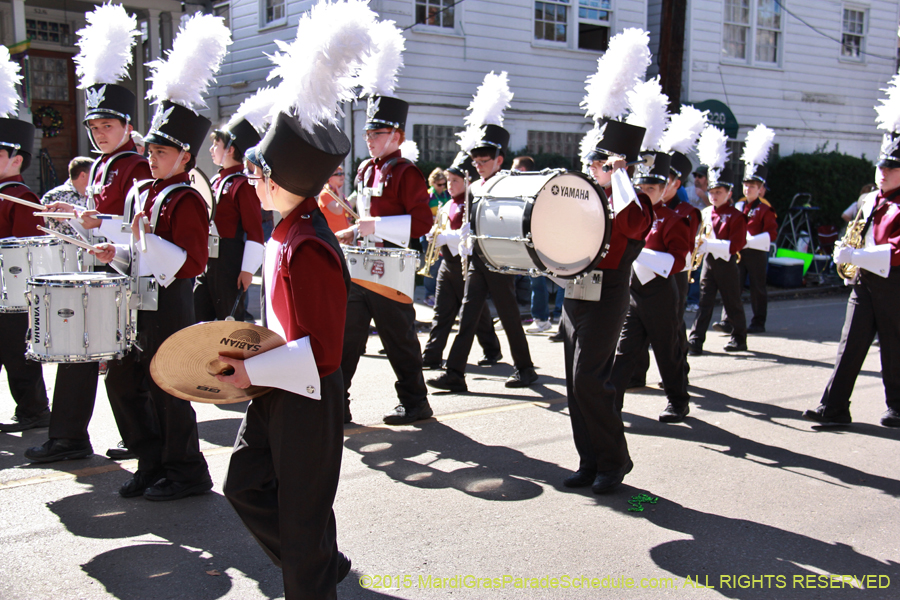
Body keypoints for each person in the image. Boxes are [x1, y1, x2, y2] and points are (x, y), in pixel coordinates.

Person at [89, 13, 229, 499]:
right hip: (138, 297)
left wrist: (141, 244)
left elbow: (191, 262)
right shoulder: (144, 191)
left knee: (170, 388)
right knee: (124, 384)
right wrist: (117, 251)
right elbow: (137, 250)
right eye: (151, 150)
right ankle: (150, 460)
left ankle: (187, 471)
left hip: (171, 302)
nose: (152, 158)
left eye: (163, 153)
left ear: (186, 157)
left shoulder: (186, 197)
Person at [219, 113, 353, 599]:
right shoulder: (285, 231)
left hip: (308, 394)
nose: (251, 182)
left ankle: (312, 565)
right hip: (279, 382)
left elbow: (323, 352)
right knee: (244, 485)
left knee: (301, 522)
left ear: (277, 182)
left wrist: (252, 369)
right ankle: (319, 559)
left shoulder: (309, 244)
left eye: (257, 175)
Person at [26, 6, 150, 462]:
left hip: (126, 271)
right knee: (88, 355)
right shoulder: (102, 165)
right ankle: (81, 436)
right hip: (101, 267)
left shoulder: (137, 165)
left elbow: (140, 226)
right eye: (94, 127)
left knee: (119, 364)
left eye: (108, 127)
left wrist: (95, 224)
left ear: (127, 127)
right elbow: (100, 215)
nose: (99, 134)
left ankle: (142, 441)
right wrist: (72, 215)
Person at [562, 120, 653, 493]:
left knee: (589, 379)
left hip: (609, 292)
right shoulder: (586, 198)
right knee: (574, 384)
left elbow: (631, 226)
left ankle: (615, 460)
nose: (591, 169)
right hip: (575, 290)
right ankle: (590, 461)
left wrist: (619, 177)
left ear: (620, 165)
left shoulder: (637, 202)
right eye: (593, 163)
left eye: (600, 164)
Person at [803, 83, 900, 429]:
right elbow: (856, 231)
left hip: (894, 282)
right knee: (850, 344)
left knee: (894, 347)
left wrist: (856, 255)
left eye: (891, 168)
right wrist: (848, 258)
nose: (883, 172)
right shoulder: (870, 199)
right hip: (865, 280)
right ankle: (833, 408)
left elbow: (896, 250)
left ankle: (898, 408)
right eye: (881, 166)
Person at [336, 93, 434, 424]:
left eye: (376, 134)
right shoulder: (365, 168)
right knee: (347, 337)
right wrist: (354, 230)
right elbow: (366, 215)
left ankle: (415, 401)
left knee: (398, 338)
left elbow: (422, 223)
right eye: (367, 134)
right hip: (361, 262)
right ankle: (338, 403)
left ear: (397, 136)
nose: (369, 140)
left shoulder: (406, 172)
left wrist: (375, 225)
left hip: (391, 267)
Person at [426, 123, 538, 392]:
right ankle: (454, 372)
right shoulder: (474, 186)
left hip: (498, 257)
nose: (478, 165)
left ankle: (525, 368)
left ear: (499, 160)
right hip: (477, 257)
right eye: (475, 161)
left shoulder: (509, 182)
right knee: (467, 315)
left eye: (483, 160)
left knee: (509, 316)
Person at [610, 151, 693, 422]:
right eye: (641, 187)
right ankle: (611, 403)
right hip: (634, 292)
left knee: (667, 351)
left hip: (660, 293)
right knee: (623, 351)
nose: (645, 192)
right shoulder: (633, 214)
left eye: (652, 188)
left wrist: (636, 251)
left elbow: (678, 262)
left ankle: (678, 402)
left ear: (664, 189)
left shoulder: (672, 219)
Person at [421, 154, 502, 369]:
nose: (450, 184)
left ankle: (492, 349)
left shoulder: (473, 203)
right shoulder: (447, 205)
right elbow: (442, 228)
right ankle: (432, 354)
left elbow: (473, 235)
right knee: (441, 311)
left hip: (467, 265)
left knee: (477, 314)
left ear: (467, 182)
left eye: (455, 180)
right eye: (448, 180)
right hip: (447, 264)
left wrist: (447, 237)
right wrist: (433, 235)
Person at [0, 92, 51, 434]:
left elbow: (26, 250)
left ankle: (34, 410)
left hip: (13, 296)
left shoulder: (22, 198)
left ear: (16, 160)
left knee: (18, 356)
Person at [194, 117, 265, 322]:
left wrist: (247, 270)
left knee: (229, 320)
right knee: (199, 314)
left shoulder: (242, 185)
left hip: (229, 258)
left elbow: (254, 229)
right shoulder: (216, 180)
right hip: (208, 257)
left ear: (231, 149)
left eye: (216, 143)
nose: (211, 148)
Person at [687, 135, 749, 355]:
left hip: (726, 263)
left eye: (718, 193)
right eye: (712, 193)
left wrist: (708, 245)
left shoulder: (736, 216)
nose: (714, 196)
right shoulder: (705, 212)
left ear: (729, 193)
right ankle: (695, 340)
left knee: (732, 303)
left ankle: (739, 338)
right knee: (704, 303)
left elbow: (737, 245)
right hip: (708, 263)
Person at [38, 157, 92, 236]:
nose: (98, 179)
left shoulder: (96, 195)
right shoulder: (55, 196)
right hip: (63, 247)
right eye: (95, 174)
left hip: (94, 245)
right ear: (83, 175)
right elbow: (36, 221)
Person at [318, 166, 352, 233]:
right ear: (329, 178)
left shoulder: (338, 195)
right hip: (331, 237)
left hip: (342, 237)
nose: (342, 176)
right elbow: (338, 210)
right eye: (338, 174)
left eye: (342, 174)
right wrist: (340, 194)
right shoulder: (325, 194)